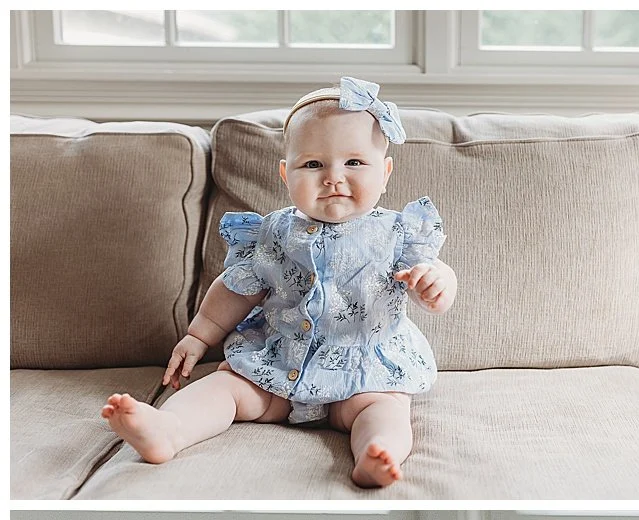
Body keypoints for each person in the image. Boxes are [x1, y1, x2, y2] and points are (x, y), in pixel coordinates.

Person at [102, 77, 456, 486]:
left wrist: (437, 285)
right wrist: (199, 335)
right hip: (277, 366)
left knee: (386, 410)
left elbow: (436, 277)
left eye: (354, 163)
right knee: (225, 387)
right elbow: (236, 288)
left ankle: (377, 454)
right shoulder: (272, 233)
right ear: (286, 174)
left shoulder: (399, 234)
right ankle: (169, 429)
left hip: (363, 374)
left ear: (385, 172)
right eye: (313, 164)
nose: (333, 177)